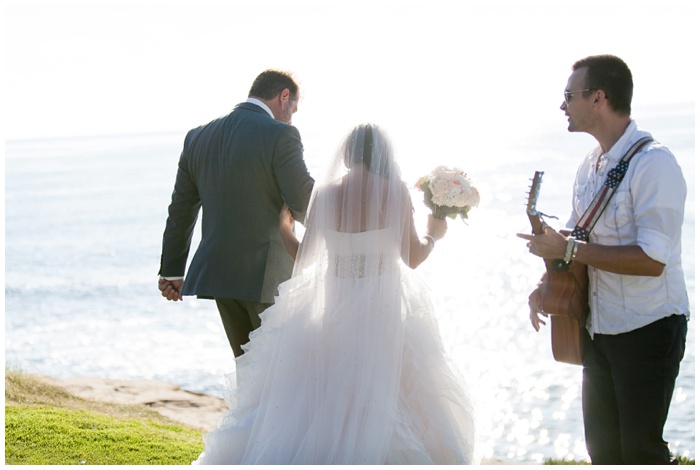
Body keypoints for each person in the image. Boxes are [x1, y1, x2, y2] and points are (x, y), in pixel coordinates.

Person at [193, 123, 478, 464]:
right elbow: (413, 258)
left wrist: (285, 230)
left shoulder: (326, 194)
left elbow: (305, 256)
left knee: (331, 390)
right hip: (382, 313)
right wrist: (434, 235)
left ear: (347, 153)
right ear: (385, 156)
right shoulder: (395, 192)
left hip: (335, 311)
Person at [518, 55, 689, 465]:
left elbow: (653, 260)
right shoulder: (588, 166)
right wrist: (547, 285)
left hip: (649, 330)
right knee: (604, 455)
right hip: (599, 329)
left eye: (569, 96)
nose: (562, 106)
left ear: (598, 98)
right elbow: (577, 240)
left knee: (641, 453)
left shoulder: (655, 164)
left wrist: (569, 250)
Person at [158, 69, 314, 357]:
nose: (292, 117)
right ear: (284, 97)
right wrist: (350, 228)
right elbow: (305, 203)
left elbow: (181, 209)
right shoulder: (281, 134)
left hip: (221, 275)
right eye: (293, 109)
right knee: (279, 370)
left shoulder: (198, 137)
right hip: (269, 277)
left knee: (248, 371)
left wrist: (172, 271)